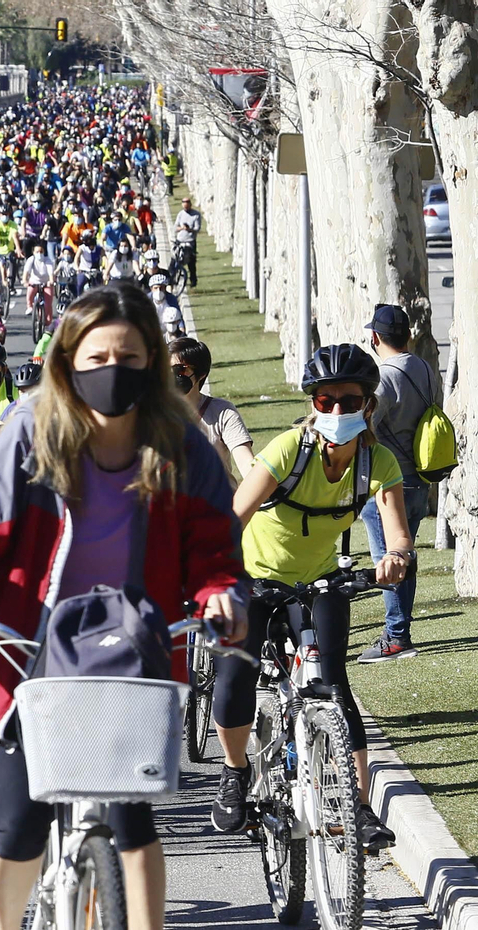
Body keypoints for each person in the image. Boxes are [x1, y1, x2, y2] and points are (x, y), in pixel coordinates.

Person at [0, 284, 248, 930]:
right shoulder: (29, 434)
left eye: (130, 357)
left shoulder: (182, 445)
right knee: (20, 821)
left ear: (155, 364)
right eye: (96, 357)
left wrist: (221, 593)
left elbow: (215, 545)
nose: (113, 369)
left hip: (130, 657)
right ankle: (6, 924)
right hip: (16, 658)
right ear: (66, 362)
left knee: (133, 816)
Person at [209, 343, 408, 853]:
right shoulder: (287, 452)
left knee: (333, 683)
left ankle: (357, 806)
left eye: (350, 400)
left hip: (319, 581)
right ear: (313, 404)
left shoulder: (378, 461)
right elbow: (234, 518)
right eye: (325, 401)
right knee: (234, 675)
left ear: (368, 404)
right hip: (253, 577)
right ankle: (235, 773)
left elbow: (398, 534)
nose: (338, 411)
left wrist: (395, 560)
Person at [359, 303, 437, 662]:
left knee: (389, 558)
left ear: (375, 337)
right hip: (421, 477)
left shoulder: (384, 376)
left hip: (391, 482)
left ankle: (395, 637)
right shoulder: (422, 366)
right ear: (408, 334)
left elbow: (366, 429)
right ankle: (400, 631)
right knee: (406, 555)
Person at [168, 337, 254, 478]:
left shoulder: (223, 413)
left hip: (219, 499)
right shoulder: (154, 415)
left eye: (179, 370)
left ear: (201, 374)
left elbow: (247, 466)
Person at [174, 197, 201, 288]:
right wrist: (182, 228)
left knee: (191, 262)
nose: (185, 208)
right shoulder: (180, 214)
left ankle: (193, 280)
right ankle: (174, 278)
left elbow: (197, 229)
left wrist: (189, 229)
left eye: (187, 206)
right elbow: (175, 228)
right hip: (180, 241)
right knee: (176, 261)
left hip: (190, 242)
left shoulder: (196, 215)